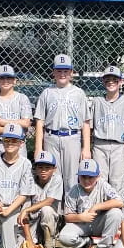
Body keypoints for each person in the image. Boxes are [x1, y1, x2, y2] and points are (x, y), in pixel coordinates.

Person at [34, 54, 91, 193]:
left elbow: (85, 122)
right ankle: (54, 211)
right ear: (53, 72)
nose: (62, 74)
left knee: (72, 177)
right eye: (59, 70)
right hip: (51, 137)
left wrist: (86, 148)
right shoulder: (47, 93)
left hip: (72, 138)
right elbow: (40, 122)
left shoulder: (79, 93)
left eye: (66, 71)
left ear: (71, 72)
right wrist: (38, 147)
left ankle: (69, 211)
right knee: (53, 176)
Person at [58, 159, 123, 248]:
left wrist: (97, 206)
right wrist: (81, 217)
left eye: (90, 177)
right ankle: (86, 243)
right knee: (64, 237)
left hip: (100, 223)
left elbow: (119, 202)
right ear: (78, 176)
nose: (87, 180)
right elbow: (67, 217)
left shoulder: (103, 185)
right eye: (83, 176)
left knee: (116, 213)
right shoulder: (74, 190)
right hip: (82, 224)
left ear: (98, 176)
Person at [91, 65, 124, 191]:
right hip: (100, 145)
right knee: (99, 180)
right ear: (103, 81)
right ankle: (100, 208)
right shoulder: (97, 101)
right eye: (107, 80)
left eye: (115, 80)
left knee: (117, 181)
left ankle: (115, 209)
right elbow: (89, 127)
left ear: (121, 81)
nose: (111, 82)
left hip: (119, 146)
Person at [17, 151, 63, 248]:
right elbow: (24, 213)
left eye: (47, 168)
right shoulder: (29, 179)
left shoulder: (56, 178)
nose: (43, 171)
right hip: (32, 222)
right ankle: (34, 239)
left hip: (51, 222)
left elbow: (49, 201)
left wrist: (27, 210)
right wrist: (29, 240)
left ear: (54, 169)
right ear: (35, 168)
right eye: (40, 167)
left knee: (46, 210)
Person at [0, 64, 32, 158]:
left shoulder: (22, 98)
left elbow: (26, 123)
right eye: (2, 78)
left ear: (14, 81)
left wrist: (3, 122)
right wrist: (16, 128)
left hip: (19, 144)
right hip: (0, 145)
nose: (5, 81)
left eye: (9, 78)